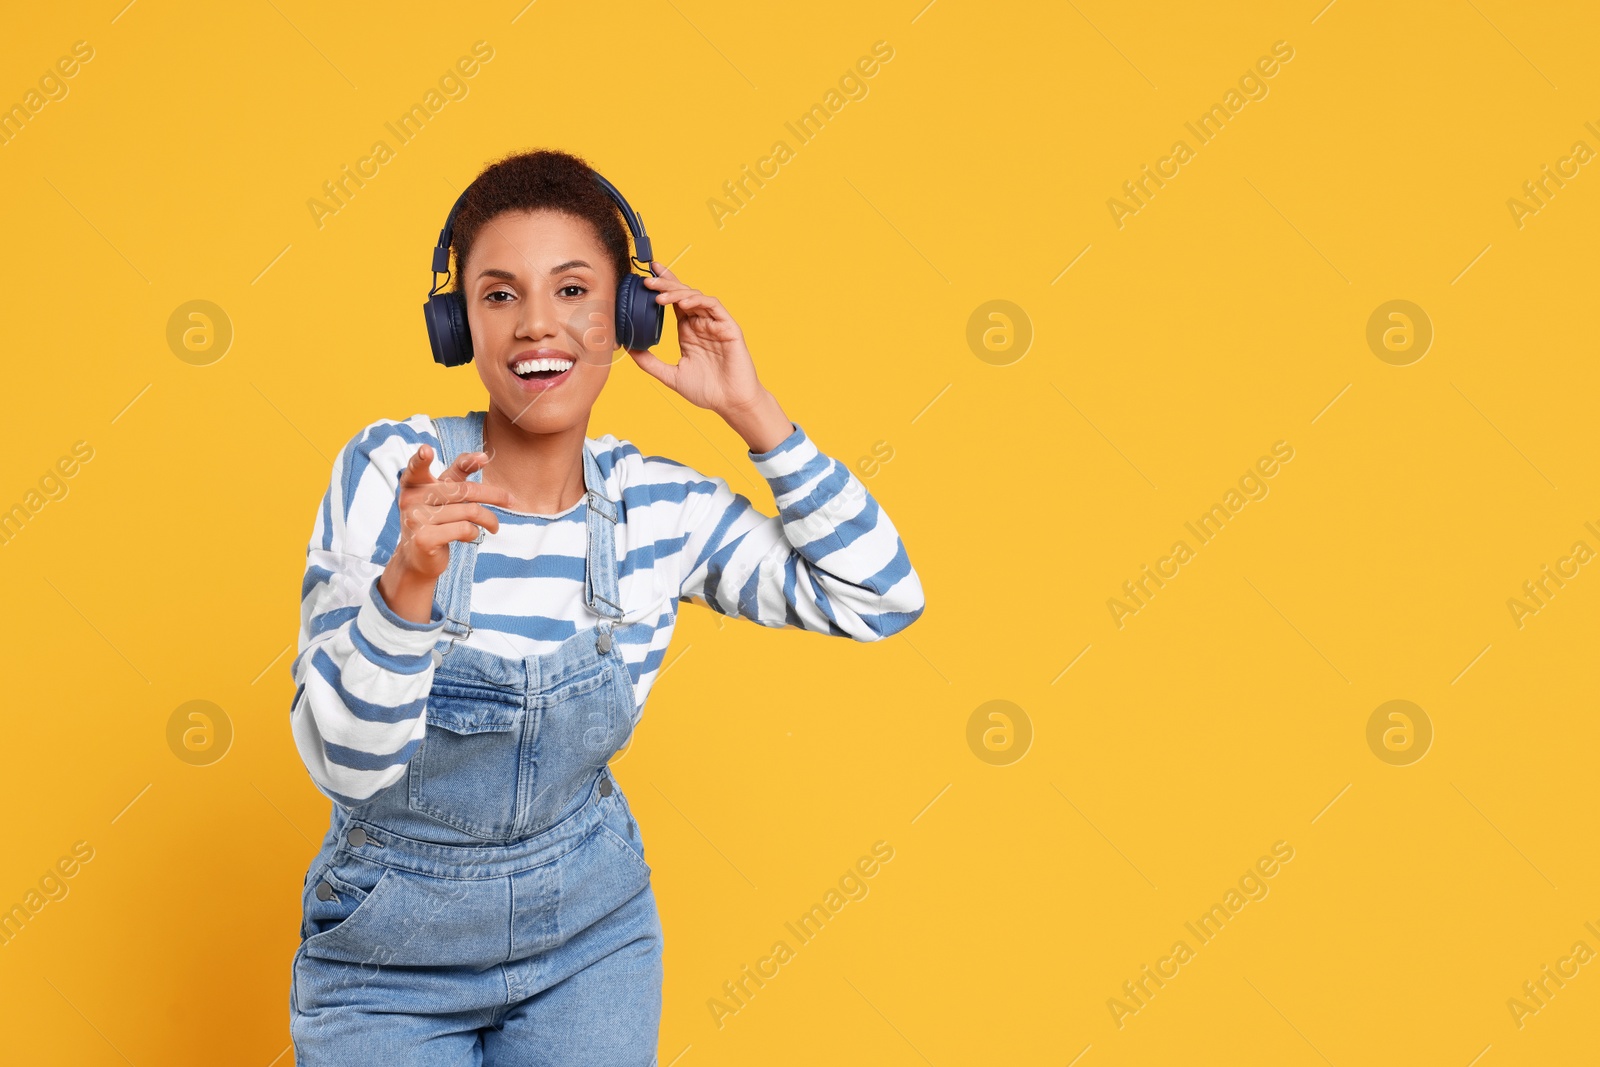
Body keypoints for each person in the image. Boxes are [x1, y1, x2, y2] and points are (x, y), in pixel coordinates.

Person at [285, 147, 925, 1064]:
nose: (537, 324)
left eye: (575, 289)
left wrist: (756, 416)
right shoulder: (397, 471)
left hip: (587, 939)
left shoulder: (659, 510)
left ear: (626, 312)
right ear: (458, 324)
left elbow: (881, 595)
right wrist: (407, 584)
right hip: (389, 959)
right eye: (499, 294)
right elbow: (345, 764)